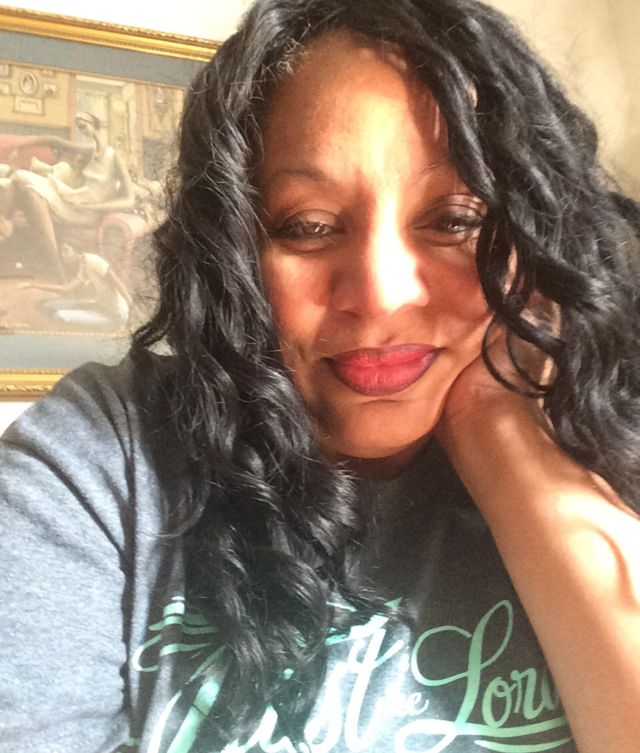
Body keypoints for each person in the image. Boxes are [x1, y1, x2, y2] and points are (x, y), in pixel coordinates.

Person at [1, 1, 639, 752]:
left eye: (455, 221)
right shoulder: (99, 461)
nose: (380, 294)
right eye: (308, 226)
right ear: (235, 252)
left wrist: (504, 438)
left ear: (535, 235)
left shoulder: (613, 431)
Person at [0, 111, 135, 281]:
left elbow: (129, 199)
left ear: (95, 125)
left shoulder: (114, 156)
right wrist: (20, 146)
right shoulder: (89, 150)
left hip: (87, 212)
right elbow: (53, 141)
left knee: (22, 179)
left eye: (83, 125)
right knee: (25, 186)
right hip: (73, 202)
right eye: (79, 127)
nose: (82, 130)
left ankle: (6, 227)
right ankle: (56, 269)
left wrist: (97, 206)